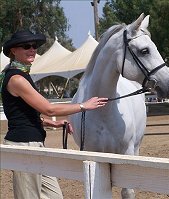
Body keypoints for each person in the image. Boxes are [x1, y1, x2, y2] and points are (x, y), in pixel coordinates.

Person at [0, 30, 108, 199]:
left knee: (55, 196)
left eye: (34, 46)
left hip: (34, 144)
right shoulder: (16, 79)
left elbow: (23, 113)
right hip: (24, 146)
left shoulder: (21, 75)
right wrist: (83, 106)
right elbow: (49, 109)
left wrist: (52, 123)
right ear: (14, 51)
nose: (32, 50)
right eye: (26, 46)